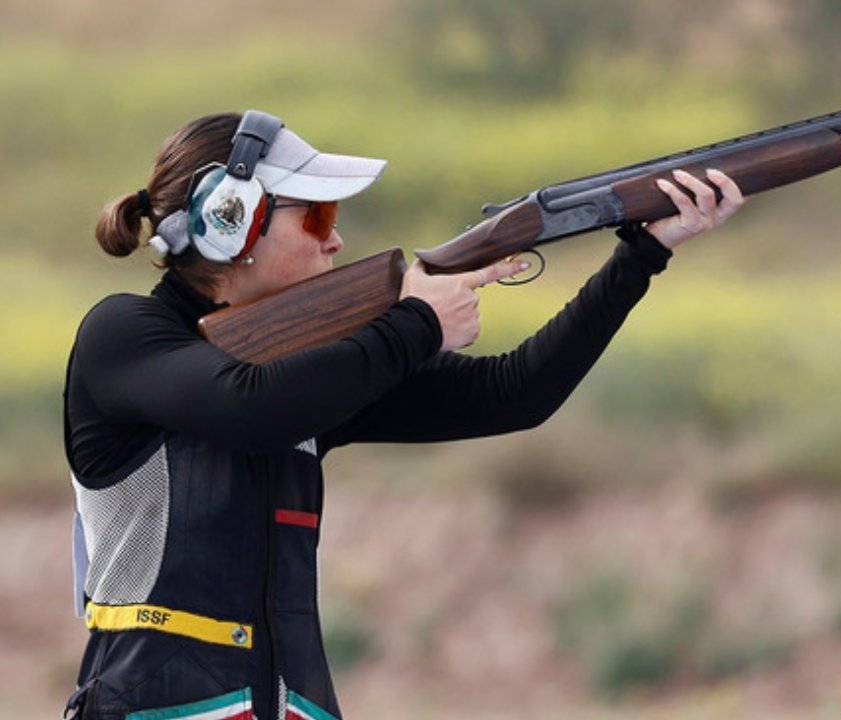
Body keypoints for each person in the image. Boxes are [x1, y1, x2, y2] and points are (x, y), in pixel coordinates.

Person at [63, 110, 744, 719]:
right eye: (318, 217)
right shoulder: (122, 335)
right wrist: (417, 322)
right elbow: (250, 407)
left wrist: (641, 254)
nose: (336, 242)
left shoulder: (314, 369)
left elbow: (516, 393)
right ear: (230, 220)